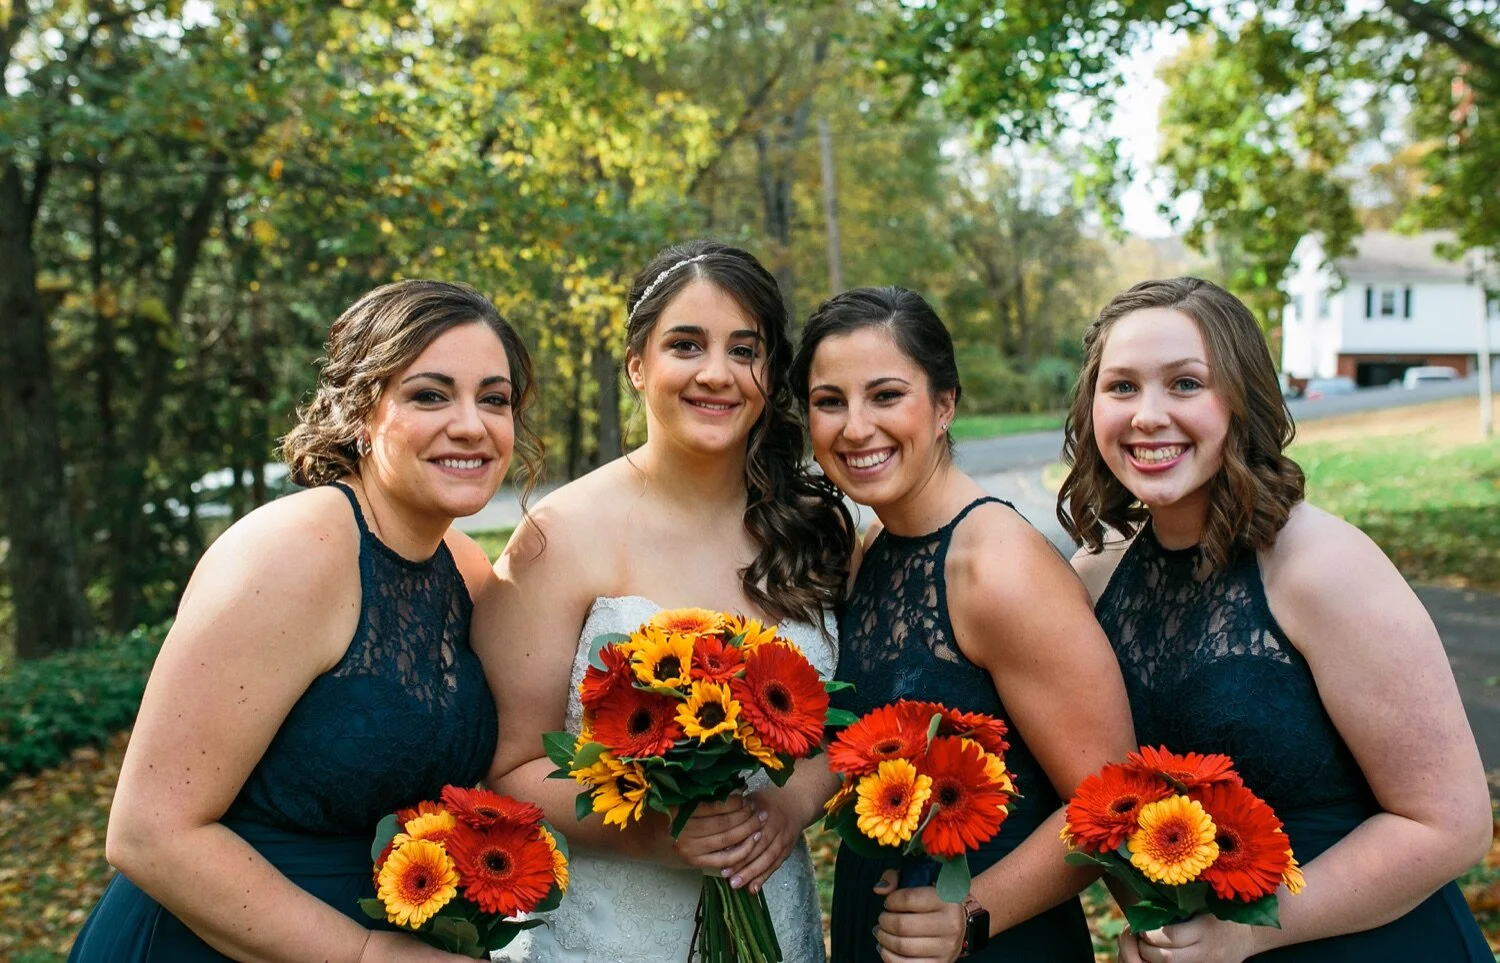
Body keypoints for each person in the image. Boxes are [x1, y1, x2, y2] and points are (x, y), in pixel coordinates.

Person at [69, 280, 540, 963]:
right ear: (360, 414)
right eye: (429, 394)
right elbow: (148, 831)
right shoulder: (289, 554)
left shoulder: (464, 569)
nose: (471, 424)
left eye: (493, 399)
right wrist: (367, 954)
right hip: (206, 942)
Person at [1058, 276, 1492, 963]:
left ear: (1242, 398)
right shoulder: (1092, 580)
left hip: (1373, 943)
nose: (1146, 414)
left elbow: (1452, 824)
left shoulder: (1322, 565)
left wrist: (1244, 931)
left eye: (1185, 383)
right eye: (1121, 387)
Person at [477, 240, 853, 962]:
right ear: (637, 365)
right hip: (608, 932)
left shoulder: (812, 529)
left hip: (774, 912)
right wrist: (659, 831)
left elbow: (845, 724)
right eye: (686, 344)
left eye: (745, 349)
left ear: (770, 375)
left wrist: (792, 803)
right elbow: (506, 768)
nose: (717, 372)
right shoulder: (558, 537)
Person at [791, 286, 1137, 963]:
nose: (855, 427)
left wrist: (971, 913)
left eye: (886, 395)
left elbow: (1114, 802)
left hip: (996, 941)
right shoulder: (875, 549)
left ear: (945, 404)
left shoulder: (999, 566)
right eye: (830, 401)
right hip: (884, 926)